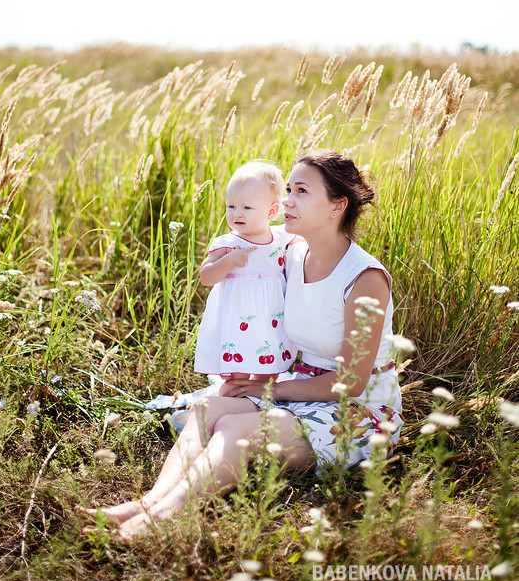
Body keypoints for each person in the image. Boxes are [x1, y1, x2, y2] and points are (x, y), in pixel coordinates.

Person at [79, 151, 403, 540]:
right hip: (300, 384)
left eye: (301, 191)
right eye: (287, 190)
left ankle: (164, 516)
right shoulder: (292, 250)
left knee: (235, 427)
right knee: (207, 408)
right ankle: (148, 502)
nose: (286, 202)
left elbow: (349, 383)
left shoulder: (364, 277)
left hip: (358, 409)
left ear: (337, 205)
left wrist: (269, 389)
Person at [194, 160, 296, 379]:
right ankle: (234, 392)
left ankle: (259, 401)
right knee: (236, 372)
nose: (237, 214)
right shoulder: (228, 243)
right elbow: (205, 277)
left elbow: (309, 237)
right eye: (231, 206)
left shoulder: (279, 237)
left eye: (247, 207)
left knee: (268, 372)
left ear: (272, 211)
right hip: (237, 321)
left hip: (270, 318)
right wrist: (229, 260)